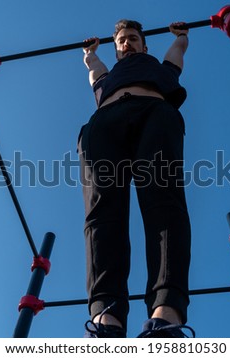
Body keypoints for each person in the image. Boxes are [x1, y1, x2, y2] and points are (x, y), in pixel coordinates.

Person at [78, 19, 193, 338]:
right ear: (115, 50)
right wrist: (90, 54)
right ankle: (106, 316)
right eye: (121, 41)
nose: (126, 43)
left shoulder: (159, 68)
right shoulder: (108, 77)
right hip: (105, 122)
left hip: (154, 113)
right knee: (102, 211)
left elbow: (177, 54)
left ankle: (165, 314)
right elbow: (94, 68)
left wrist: (182, 37)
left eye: (132, 38)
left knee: (163, 201)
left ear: (144, 45)